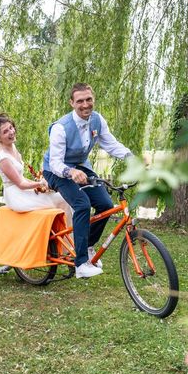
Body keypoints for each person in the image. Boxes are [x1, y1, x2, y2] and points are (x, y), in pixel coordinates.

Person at [42, 83, 132, 279]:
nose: (85, 104)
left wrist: (131, 157)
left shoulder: (97, 120)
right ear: (72, 103)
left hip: (80, 166)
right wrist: (70, 172)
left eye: (88, 99)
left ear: (93, 99)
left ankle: (88, 246)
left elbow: (111, 144)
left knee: (105, 204)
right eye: (80, 101)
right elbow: (56, 163)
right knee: (82, 205)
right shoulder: (60, 128)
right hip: (56, 170)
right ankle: (81, 263)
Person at [0, 113, 73, 218]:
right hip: (16, 197)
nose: (11, 132)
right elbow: (20, 184)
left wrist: (39, 184)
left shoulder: (12, 146)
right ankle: (67, 233)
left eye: (11, 127)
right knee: (61, 199)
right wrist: (41, 183)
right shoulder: (3, 158)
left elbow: (21, 178)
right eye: (5, 132)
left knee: (62, 196)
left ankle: (67, 232)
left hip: (22, 191)